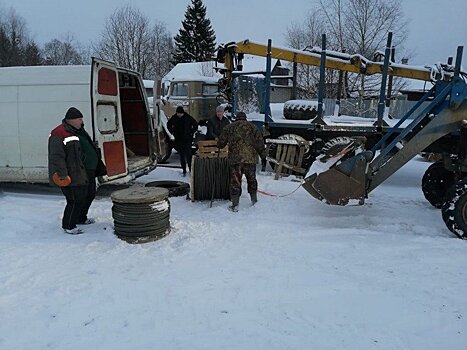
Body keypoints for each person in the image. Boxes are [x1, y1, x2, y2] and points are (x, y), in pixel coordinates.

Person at [48, 107, 107, 235]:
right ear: (71, 120)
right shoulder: (59, 133)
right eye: (79, 119)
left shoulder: (79, 130)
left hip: (87, 171)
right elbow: (56, 157)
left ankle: (81, 218)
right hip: (73, 173)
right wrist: (62, 175)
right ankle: (69, 225)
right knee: (75, 199)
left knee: (90, 194)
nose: (81, 121)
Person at [218, 111, 266, 212]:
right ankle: (254, 201)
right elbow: (260, 143)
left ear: (236, 118)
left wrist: (219, 144)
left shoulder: (229, 127)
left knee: (235, 182)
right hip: (250, 160)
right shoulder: (253, 127)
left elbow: (221, 143)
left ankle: (235, 204)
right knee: (252, 180)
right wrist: (263, 156)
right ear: (245, 118)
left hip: (236, 160)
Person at [167, 106, 198, 176]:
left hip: (187, 139)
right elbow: (168, 124)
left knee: (188, 154)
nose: (179, 115)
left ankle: (190, 169)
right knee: (181, 155)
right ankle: (184, 169)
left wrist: (191, 132)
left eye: (180, 113)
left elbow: (195, 124)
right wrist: (172, 131)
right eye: (178, 113)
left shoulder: (188, 117)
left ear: (183, 113)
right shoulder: (174, 118)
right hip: (179, 139)